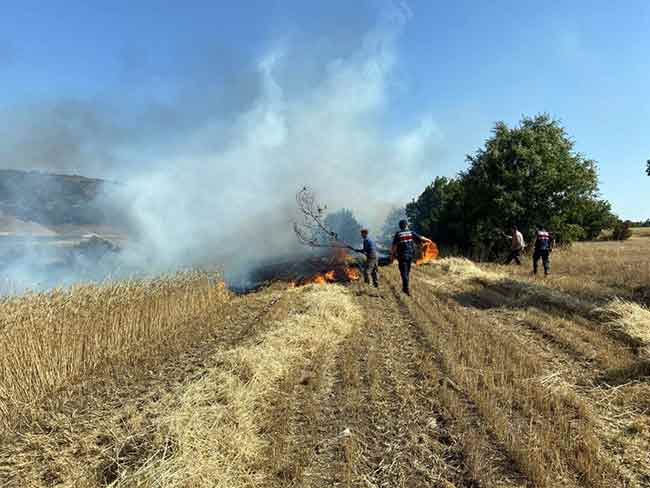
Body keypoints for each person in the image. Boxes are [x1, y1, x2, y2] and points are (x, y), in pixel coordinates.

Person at [391, 220, 432, 295]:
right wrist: (428, 240)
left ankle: (406, 289)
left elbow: (394, 246)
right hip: (410, 255)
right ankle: (405, 287)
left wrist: (392, 256)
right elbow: (421, 238)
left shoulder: (398, 234)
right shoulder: (411, 232)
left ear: (400, 226)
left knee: (403, 272)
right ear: (406, 225)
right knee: (407, 272)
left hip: (401, 256)